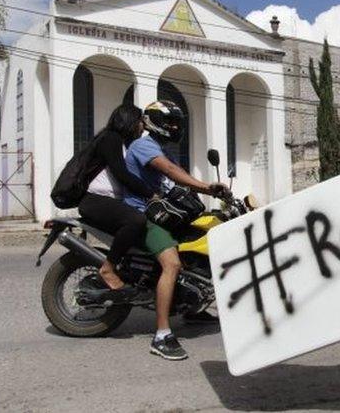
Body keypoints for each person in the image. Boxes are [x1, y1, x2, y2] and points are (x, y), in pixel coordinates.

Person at [125, 100, 229, 361]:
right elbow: (170, 171)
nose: (173, 127)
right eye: (169, 122)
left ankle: (192, 308)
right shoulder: (143, 145)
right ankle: (161, 335)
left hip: (162, 212)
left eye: (176, 123)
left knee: (197, 240)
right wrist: (206, 187)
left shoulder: (161, 148)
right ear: (154, 122)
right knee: (172, 264)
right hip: (143, 214)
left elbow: (177, 175)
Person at [76, 105, 154, 301]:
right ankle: (108, 269)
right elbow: (121, 174)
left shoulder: (122, 144)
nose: (142, 127)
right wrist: (150, 193)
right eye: (139, 122)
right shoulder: (111, 138)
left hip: (108, 201)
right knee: (136, 220)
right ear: (128, 121)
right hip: (95, 201)